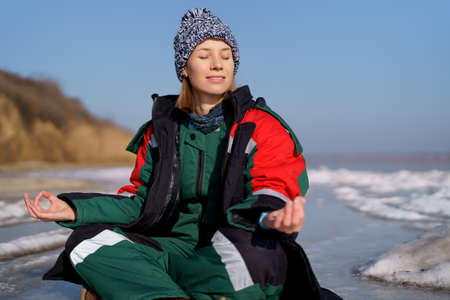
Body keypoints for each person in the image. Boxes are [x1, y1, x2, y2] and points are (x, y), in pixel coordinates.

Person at [24, 8, 341, 300]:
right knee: (86, 244)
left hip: (231, 246)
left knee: (260, 259)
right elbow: (138, 201)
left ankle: (143, 289)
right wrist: (72, 209)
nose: (218, 64)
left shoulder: (260, 126)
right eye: (204, 55)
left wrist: (269, 215)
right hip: (172, 249)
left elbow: (274, 184)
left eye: (226, 55)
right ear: (185, 68)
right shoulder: (159, 131)